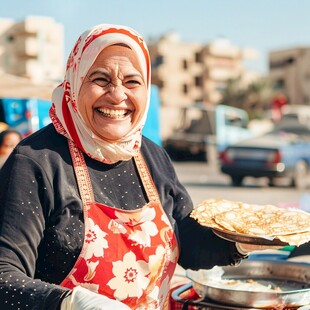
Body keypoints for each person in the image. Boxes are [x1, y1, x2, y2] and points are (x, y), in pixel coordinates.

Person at [0, 23, 276, 310]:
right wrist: (70, 303)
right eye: (100, 79)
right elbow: (4, 277)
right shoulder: (36, 160)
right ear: (74, 81)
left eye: (132, 82)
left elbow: (190, 247)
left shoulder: (152, 156)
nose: (117, 95)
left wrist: (242, 242)